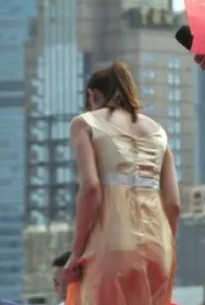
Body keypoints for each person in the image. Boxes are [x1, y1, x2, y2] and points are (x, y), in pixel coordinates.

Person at [64, 61, 180, 305]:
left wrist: (75, 253)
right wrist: (166, 247)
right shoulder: (159, 132)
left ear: (92, 95)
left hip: (111, 246)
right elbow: (174, 204)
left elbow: (91, 188)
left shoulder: (85, 123)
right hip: (159, 249)